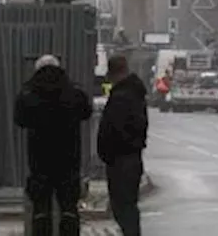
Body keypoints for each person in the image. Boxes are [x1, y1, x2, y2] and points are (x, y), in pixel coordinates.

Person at [13, 54, 92, 236]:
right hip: (69, 159)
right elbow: (86, 111)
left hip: (40, 160)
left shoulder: (28, 94)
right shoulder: (73, 92)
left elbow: (19, 119)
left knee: (41, 209)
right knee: (69, 208)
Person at [98, 54, 148, 236]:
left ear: (113, 73)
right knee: (127, 206)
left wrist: (108, 152)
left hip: (121, 160)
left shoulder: (122, 96)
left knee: (123, 207)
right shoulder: (133, 93)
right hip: (130, 158)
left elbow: (115, 128)